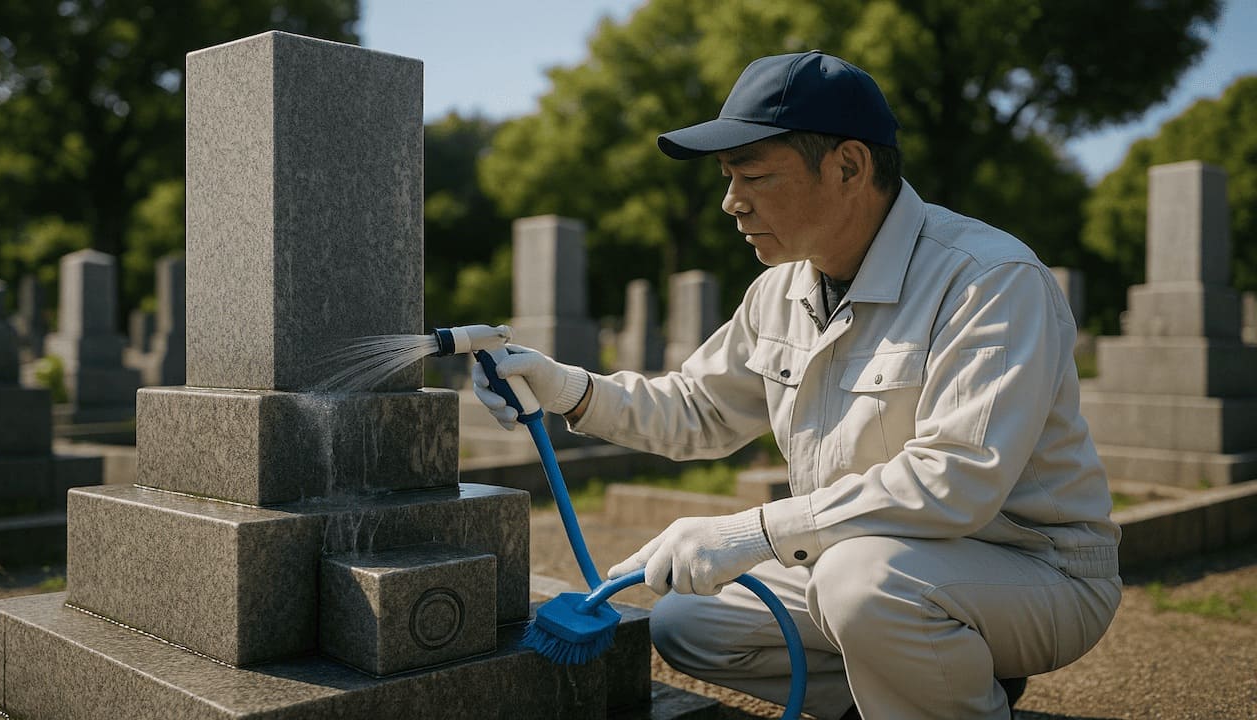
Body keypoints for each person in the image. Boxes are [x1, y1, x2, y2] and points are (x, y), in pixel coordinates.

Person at [473, 50, 1121, 720]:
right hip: (880, 564)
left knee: (860, 585)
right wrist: (568, 389)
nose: (732, 202)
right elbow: (698, 409)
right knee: (690, 620)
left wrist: (751, 531)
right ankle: (933, 687)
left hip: (1036, 571)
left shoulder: (988, 280)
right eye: (728, 178)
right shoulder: (780, 290)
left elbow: (956, 479)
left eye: (753, 175)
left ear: (848, 167)